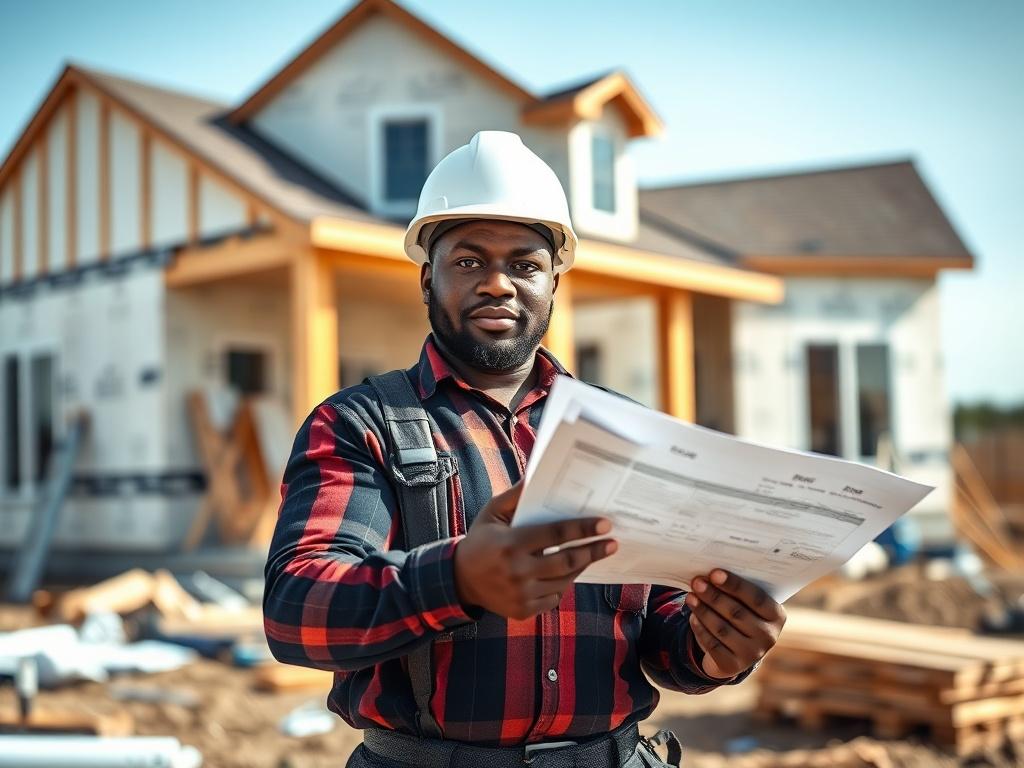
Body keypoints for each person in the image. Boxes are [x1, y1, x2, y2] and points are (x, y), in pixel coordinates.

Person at [264, 131, 787, 768]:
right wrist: (456, 578)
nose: (498, 284)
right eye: (468, 262)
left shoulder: (625, 429)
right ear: (427, 279)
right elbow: (296, 609)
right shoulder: (361, 424)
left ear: (554, 282)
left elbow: (659, 623)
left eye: (524, 265)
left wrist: (712, 647)